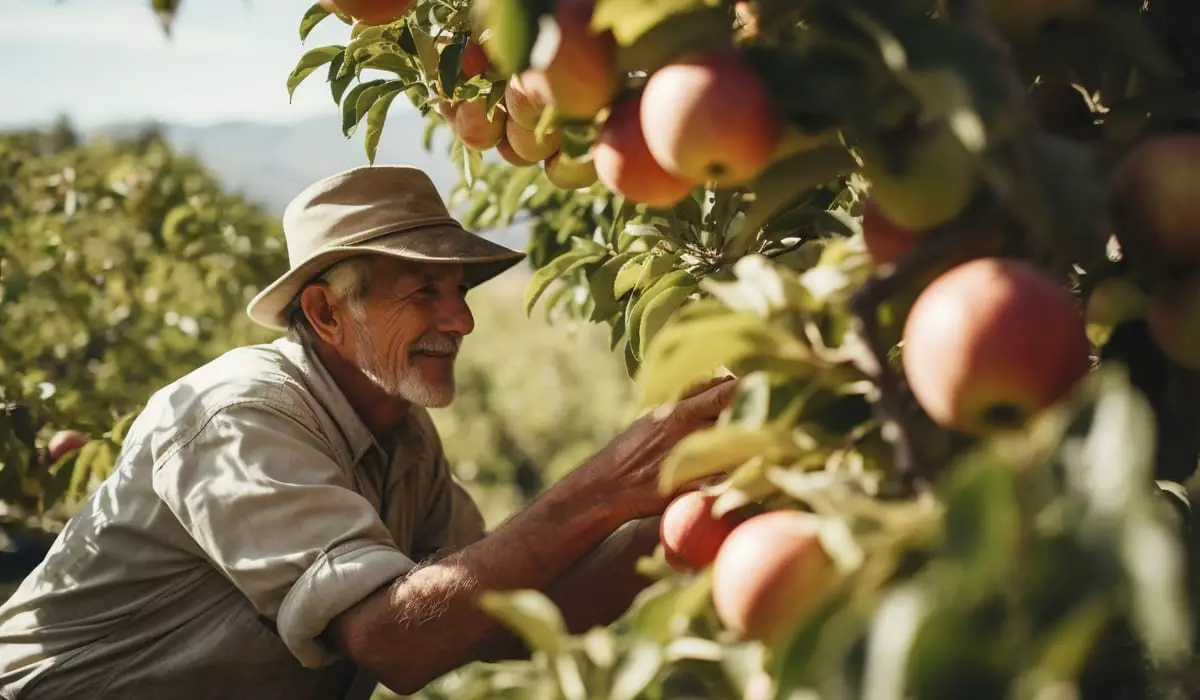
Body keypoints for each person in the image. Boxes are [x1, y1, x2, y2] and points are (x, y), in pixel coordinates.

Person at [0, 166, 737, 699]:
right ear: (324, 314)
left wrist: (670, 516)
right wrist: (610, 482)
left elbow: (503, 620)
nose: (461, 320)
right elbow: (396, 641)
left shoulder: (403, 440)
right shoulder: (240, 417)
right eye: (424, 291)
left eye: (459, 290)